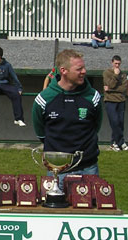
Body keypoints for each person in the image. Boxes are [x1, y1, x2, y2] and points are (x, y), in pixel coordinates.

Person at [32, 49, 102, 187]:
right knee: (55, 207)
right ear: (63, 71)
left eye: (84, 67)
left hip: (89, 168)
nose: (84, 71)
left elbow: (96, 126)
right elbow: (40, 132)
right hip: (57, 169)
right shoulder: (44, 99)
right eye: (79, 68)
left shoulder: (93, 96)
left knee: (91, 207)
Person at [103, 55, 128, 151]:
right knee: (114, 122)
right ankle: (121, 142)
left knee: (120, 122)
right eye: (115, 63)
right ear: (112, 63)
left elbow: (124, 88)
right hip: (110, 100)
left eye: (119, 64)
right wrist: (115, 75)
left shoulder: (123, 74)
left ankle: (115, 143)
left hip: (121, 100)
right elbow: (110, 84)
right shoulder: (107, 73)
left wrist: (110, 89)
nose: (117, 65)